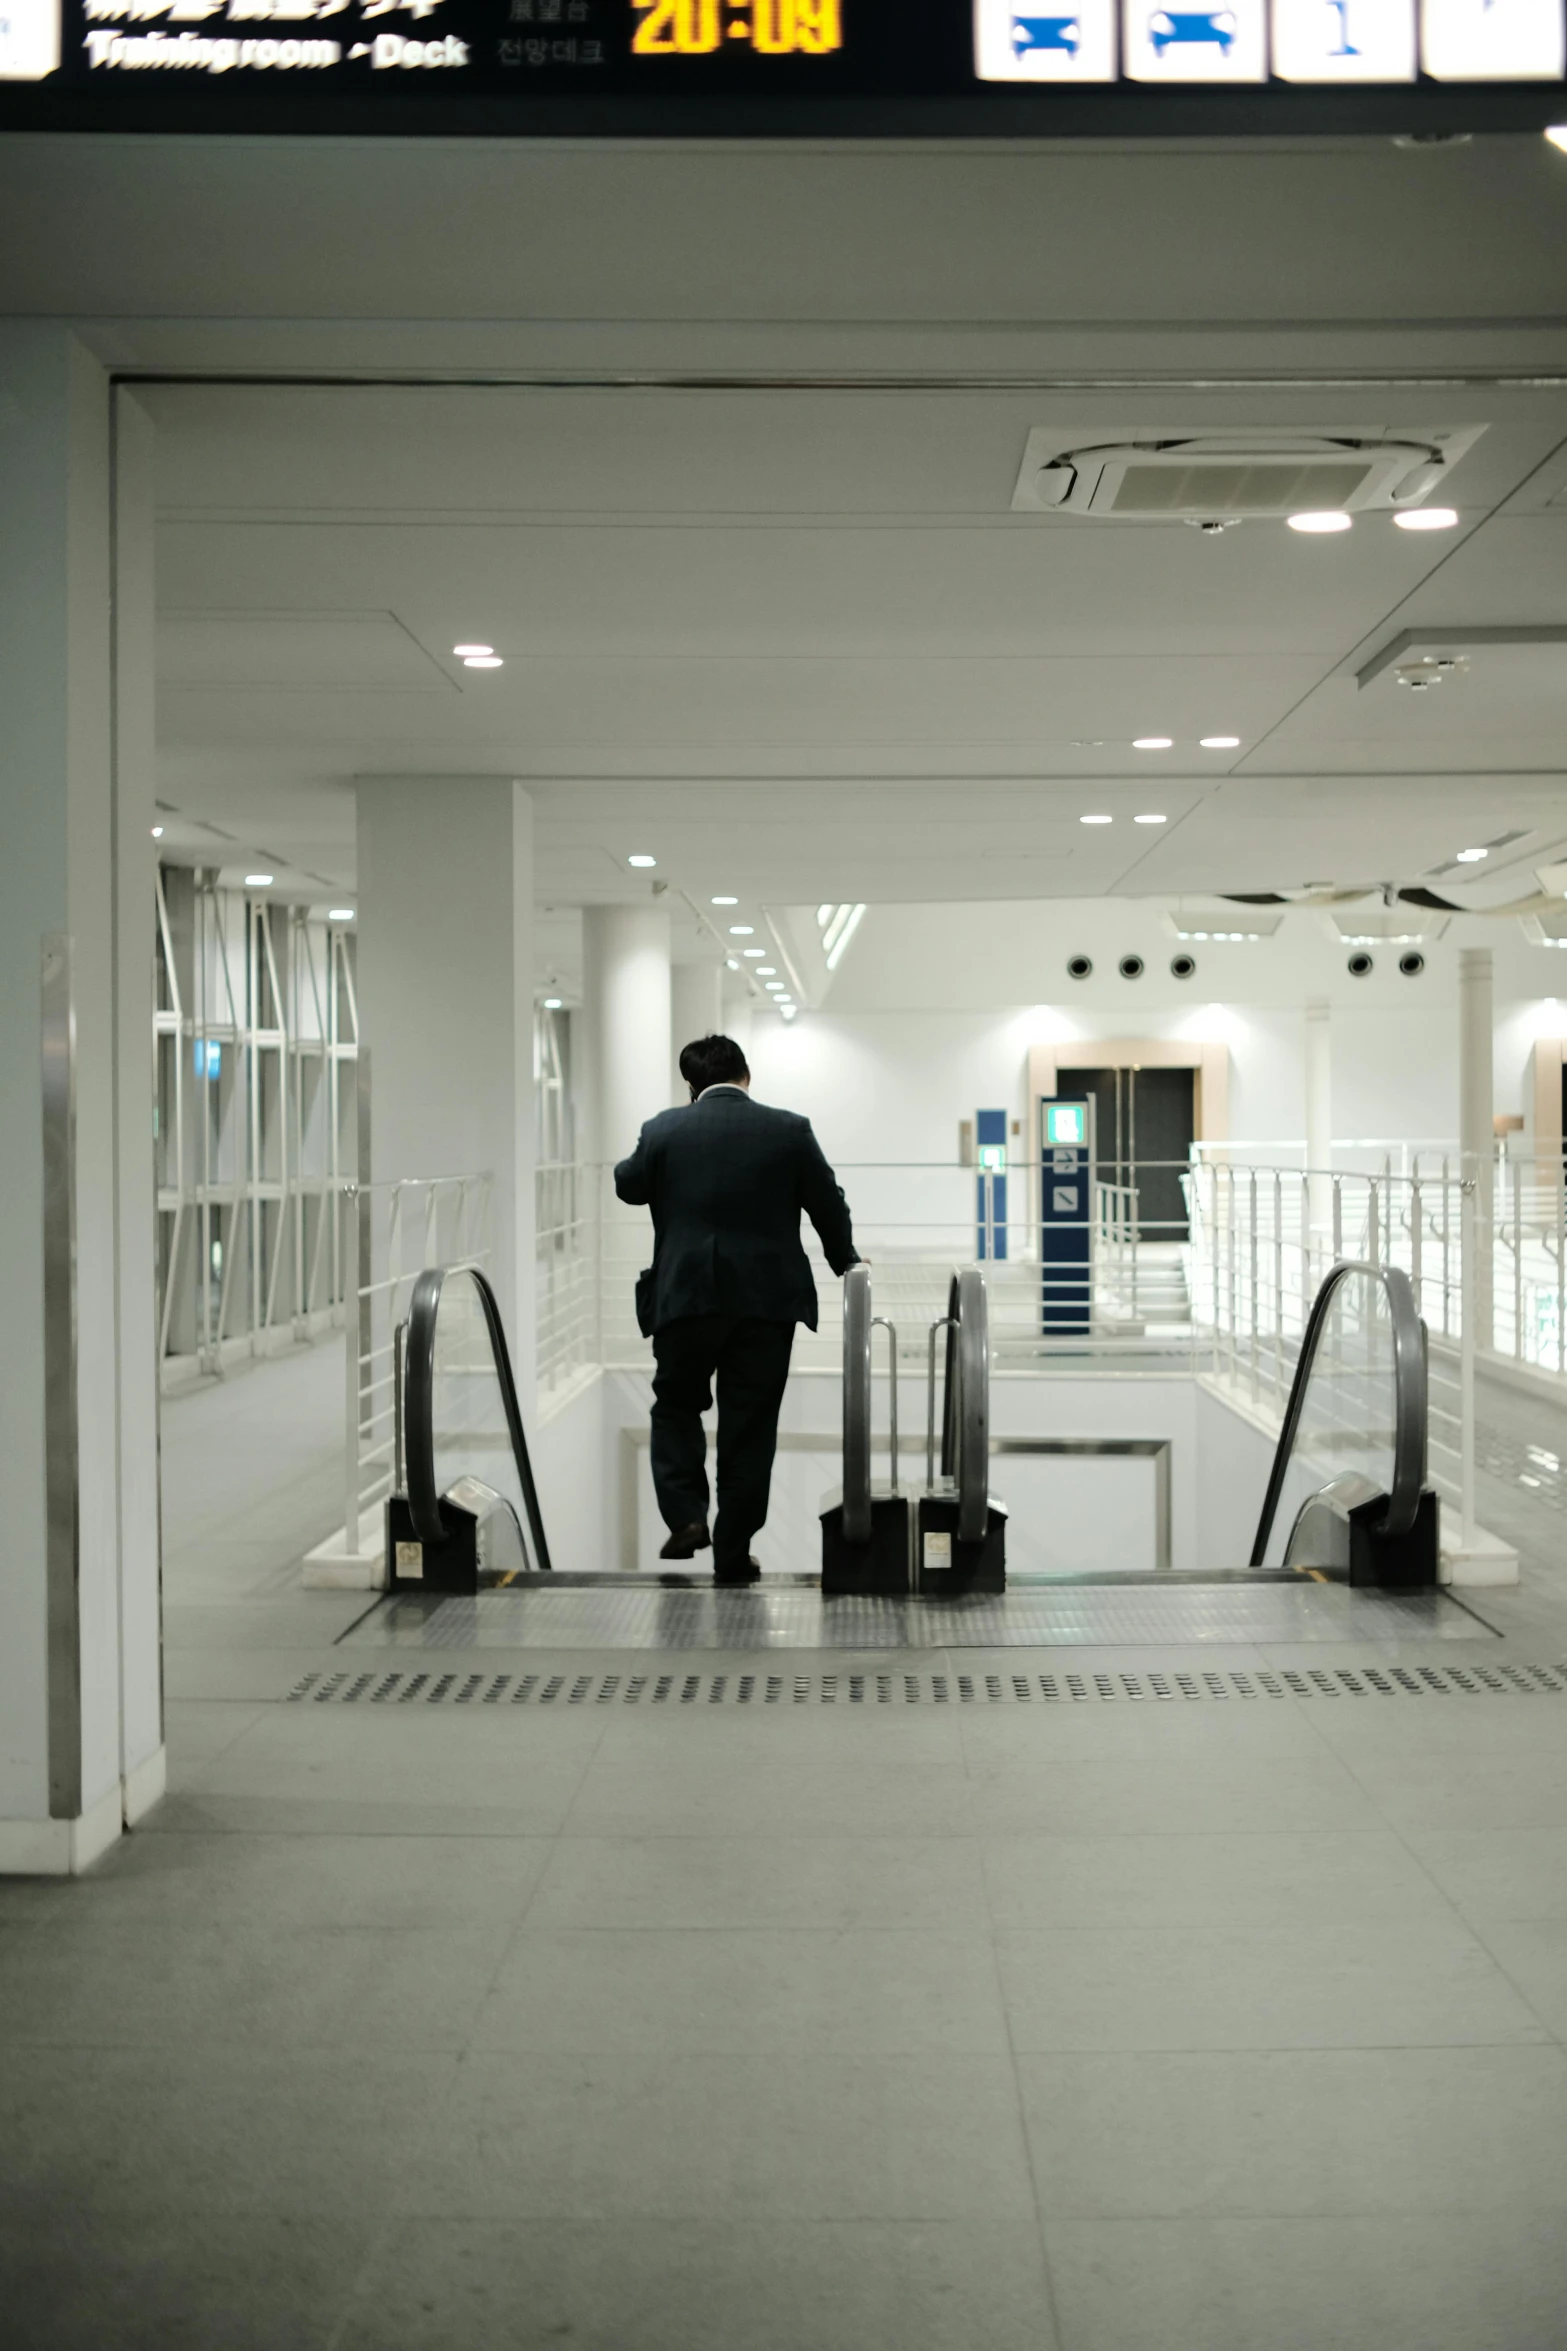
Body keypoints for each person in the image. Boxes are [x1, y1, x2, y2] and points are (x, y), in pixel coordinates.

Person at [614, 1033, 861, 1584]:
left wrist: (676, 1137)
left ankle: (685, 1517)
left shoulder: (663, 1130)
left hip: (685, 1299)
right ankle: (733, 1550)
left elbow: (627, 1185)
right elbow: (828, 1202)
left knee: (676, 1406)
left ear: (691, 1087)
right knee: (749, 1427)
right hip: (766, 1304)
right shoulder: (788, 1129)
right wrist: (846, 1263)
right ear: (746, 1075)